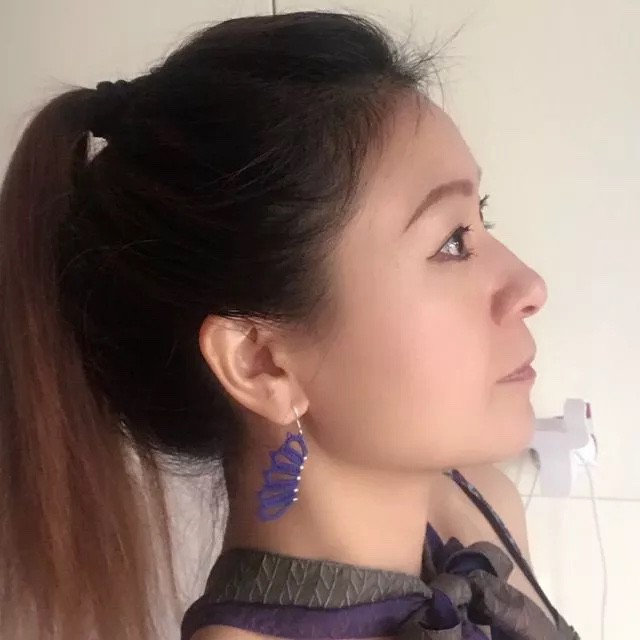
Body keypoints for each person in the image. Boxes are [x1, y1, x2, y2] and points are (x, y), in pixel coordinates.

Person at [0, 10, 580, 640]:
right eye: (451, 242)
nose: (530, 287)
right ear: (262, 363)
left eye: (481, 217)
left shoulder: (482, 511)